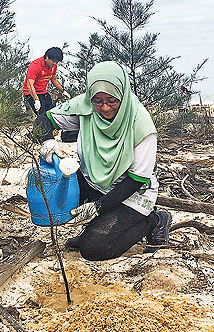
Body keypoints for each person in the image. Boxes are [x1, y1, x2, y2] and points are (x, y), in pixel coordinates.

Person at [32, 61, 171, 261]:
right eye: (98, 101)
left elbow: (136, 180)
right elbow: (43, 120)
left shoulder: (140, 124)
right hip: (94, 181)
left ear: (122, 95)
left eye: (111, 101)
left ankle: (154, 220)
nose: (104, 108)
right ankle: (101, 221)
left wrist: (97, 207)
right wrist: (47, 141)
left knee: (94, 249)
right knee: (55, 197)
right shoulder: (85, 107)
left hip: (130, 192)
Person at [23, 47, 69, 115]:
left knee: (52, 113)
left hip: (43, 92)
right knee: (42, 115)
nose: (55, 63)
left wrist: (62, 91)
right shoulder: (35, 65)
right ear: (47, 57)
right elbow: (30, 85)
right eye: (53, 61)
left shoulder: (53, 66)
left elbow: (54, 79)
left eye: (57, 62)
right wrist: (36, 100)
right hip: (31, 93)